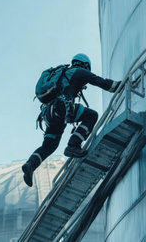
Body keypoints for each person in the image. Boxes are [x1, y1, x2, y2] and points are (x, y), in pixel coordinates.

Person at [22, 53, 120, 187]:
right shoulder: (79, 72)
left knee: (49, 146)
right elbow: (100, 82)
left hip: (49, 115)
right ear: (85, 65)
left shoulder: (62, 74)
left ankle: (30, 165)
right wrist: (120, 85)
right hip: (62, 107)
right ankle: (73, 145)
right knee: (91, 116)